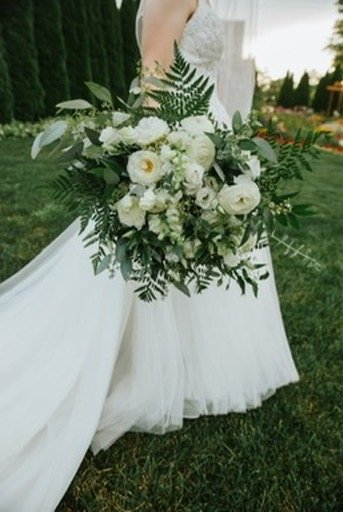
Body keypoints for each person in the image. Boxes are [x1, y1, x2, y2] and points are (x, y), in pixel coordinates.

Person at [0, 0, 299, 509]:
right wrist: (168, 156)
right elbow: (155, 80)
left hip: (210, 128)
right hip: (186, 132)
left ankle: (198, 362)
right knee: (170, 248)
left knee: (212, 251)